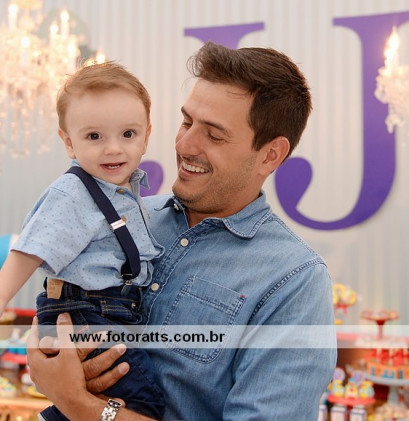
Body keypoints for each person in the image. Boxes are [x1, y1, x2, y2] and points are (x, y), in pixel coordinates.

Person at [26, 41, 337, 421]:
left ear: (270, 155)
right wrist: (46, 356)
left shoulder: (295, 280)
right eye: (187, 122)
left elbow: (72, 395)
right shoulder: (128, 217)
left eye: (214, 135)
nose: (184, 144)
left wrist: (78, 402)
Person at [0, 62, 166, 420]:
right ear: (68, 142)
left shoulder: (128, 192)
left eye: (127, 134)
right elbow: (32, 247)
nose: (113, 149)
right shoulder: (73, 192)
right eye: (94, 137)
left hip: (110, 309)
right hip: (82, 311)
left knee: (104, 392)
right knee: (144, 401)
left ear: (146, 136)